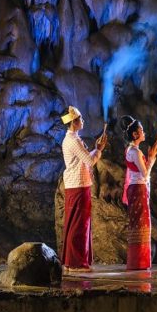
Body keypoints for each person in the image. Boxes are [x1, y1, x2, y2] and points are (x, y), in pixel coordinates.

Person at [60, 105, 107, 272]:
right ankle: (75, 262)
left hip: (79, 184)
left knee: (80, 223)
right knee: (78, 224)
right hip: (77, 185)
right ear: (73, 122)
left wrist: (96, 148)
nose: (83, 121)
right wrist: (99, 150)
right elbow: (89, 161)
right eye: (80, 118)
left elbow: (84, 158)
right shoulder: (72, 141)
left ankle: (77, 260)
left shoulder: (73, 139)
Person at [122, 117, 157, 270]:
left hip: (136, 188)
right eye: (141, 130)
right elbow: (144, 174)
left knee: (138, 223)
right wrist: (151, 159)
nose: (144, 132)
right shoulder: (135, 152)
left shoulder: (131, 150)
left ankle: (138, 261)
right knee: (141, 223)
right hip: (138, 188)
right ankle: (139, 262)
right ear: (135, 135)